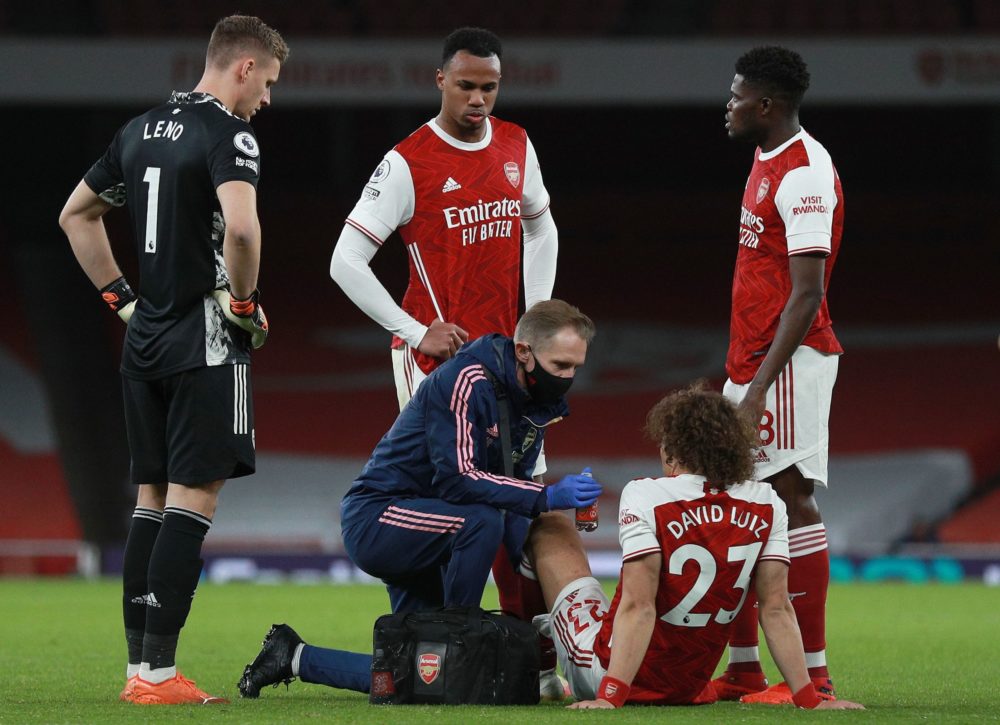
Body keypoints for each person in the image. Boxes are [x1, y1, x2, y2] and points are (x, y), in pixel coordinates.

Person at [58, 15, 287, 705]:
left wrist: (122, 301)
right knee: (194, 497)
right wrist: (243, 304)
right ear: (243, 66)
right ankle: (159, 675)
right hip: (206, 340)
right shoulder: (227, 133)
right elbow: (242, 227)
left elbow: (75, 214)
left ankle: (139, 670)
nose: (267, 101)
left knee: (150, 499)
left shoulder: (138, 130)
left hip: (146, 339)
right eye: (268, 83)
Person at [330, 36, 562, 689]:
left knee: (520, 511)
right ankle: (439, 645)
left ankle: (530, 658)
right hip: (438, 365)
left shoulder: (516, 144)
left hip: (511, 364)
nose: (478, 100)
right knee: (456, 498)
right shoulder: (408, 162)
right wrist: (412, 329)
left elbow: (541, 226)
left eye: (489, 87)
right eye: (465, 86)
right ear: (440, 80)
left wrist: (535, 320)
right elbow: (344, 259)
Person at [237, 300, 601, 699]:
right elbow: (459, 481)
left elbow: (510, 493)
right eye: (560, 366)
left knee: (417, 678)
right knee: (480, 524)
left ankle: (292, 656)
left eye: (575, 368)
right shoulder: (469, 378)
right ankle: (463, 634)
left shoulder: (535, 403)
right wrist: (546, 495)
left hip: (432, 524)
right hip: (379, 516)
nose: (568, 378)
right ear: (524, 352)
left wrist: (530, 573)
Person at [523, 384, 863, 710]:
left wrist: (610, 696)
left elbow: (639, 605)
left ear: (673, 450)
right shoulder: (766, 502)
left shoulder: (647, 495)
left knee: (549, 526)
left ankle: (541, 668)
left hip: (613, 675)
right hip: (689, 686)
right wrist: (809, 699)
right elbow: (776, 609)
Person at [711, 46, 845, 705]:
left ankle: (813, 677)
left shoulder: (804, 173)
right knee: (736, 507)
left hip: (787, 367)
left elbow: (807, 293)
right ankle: (742, 669)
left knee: (789, 497)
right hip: (752, 361)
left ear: (766, 104)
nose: (727, 106)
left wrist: (759, 388)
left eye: (736, 96)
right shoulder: (765, 160)